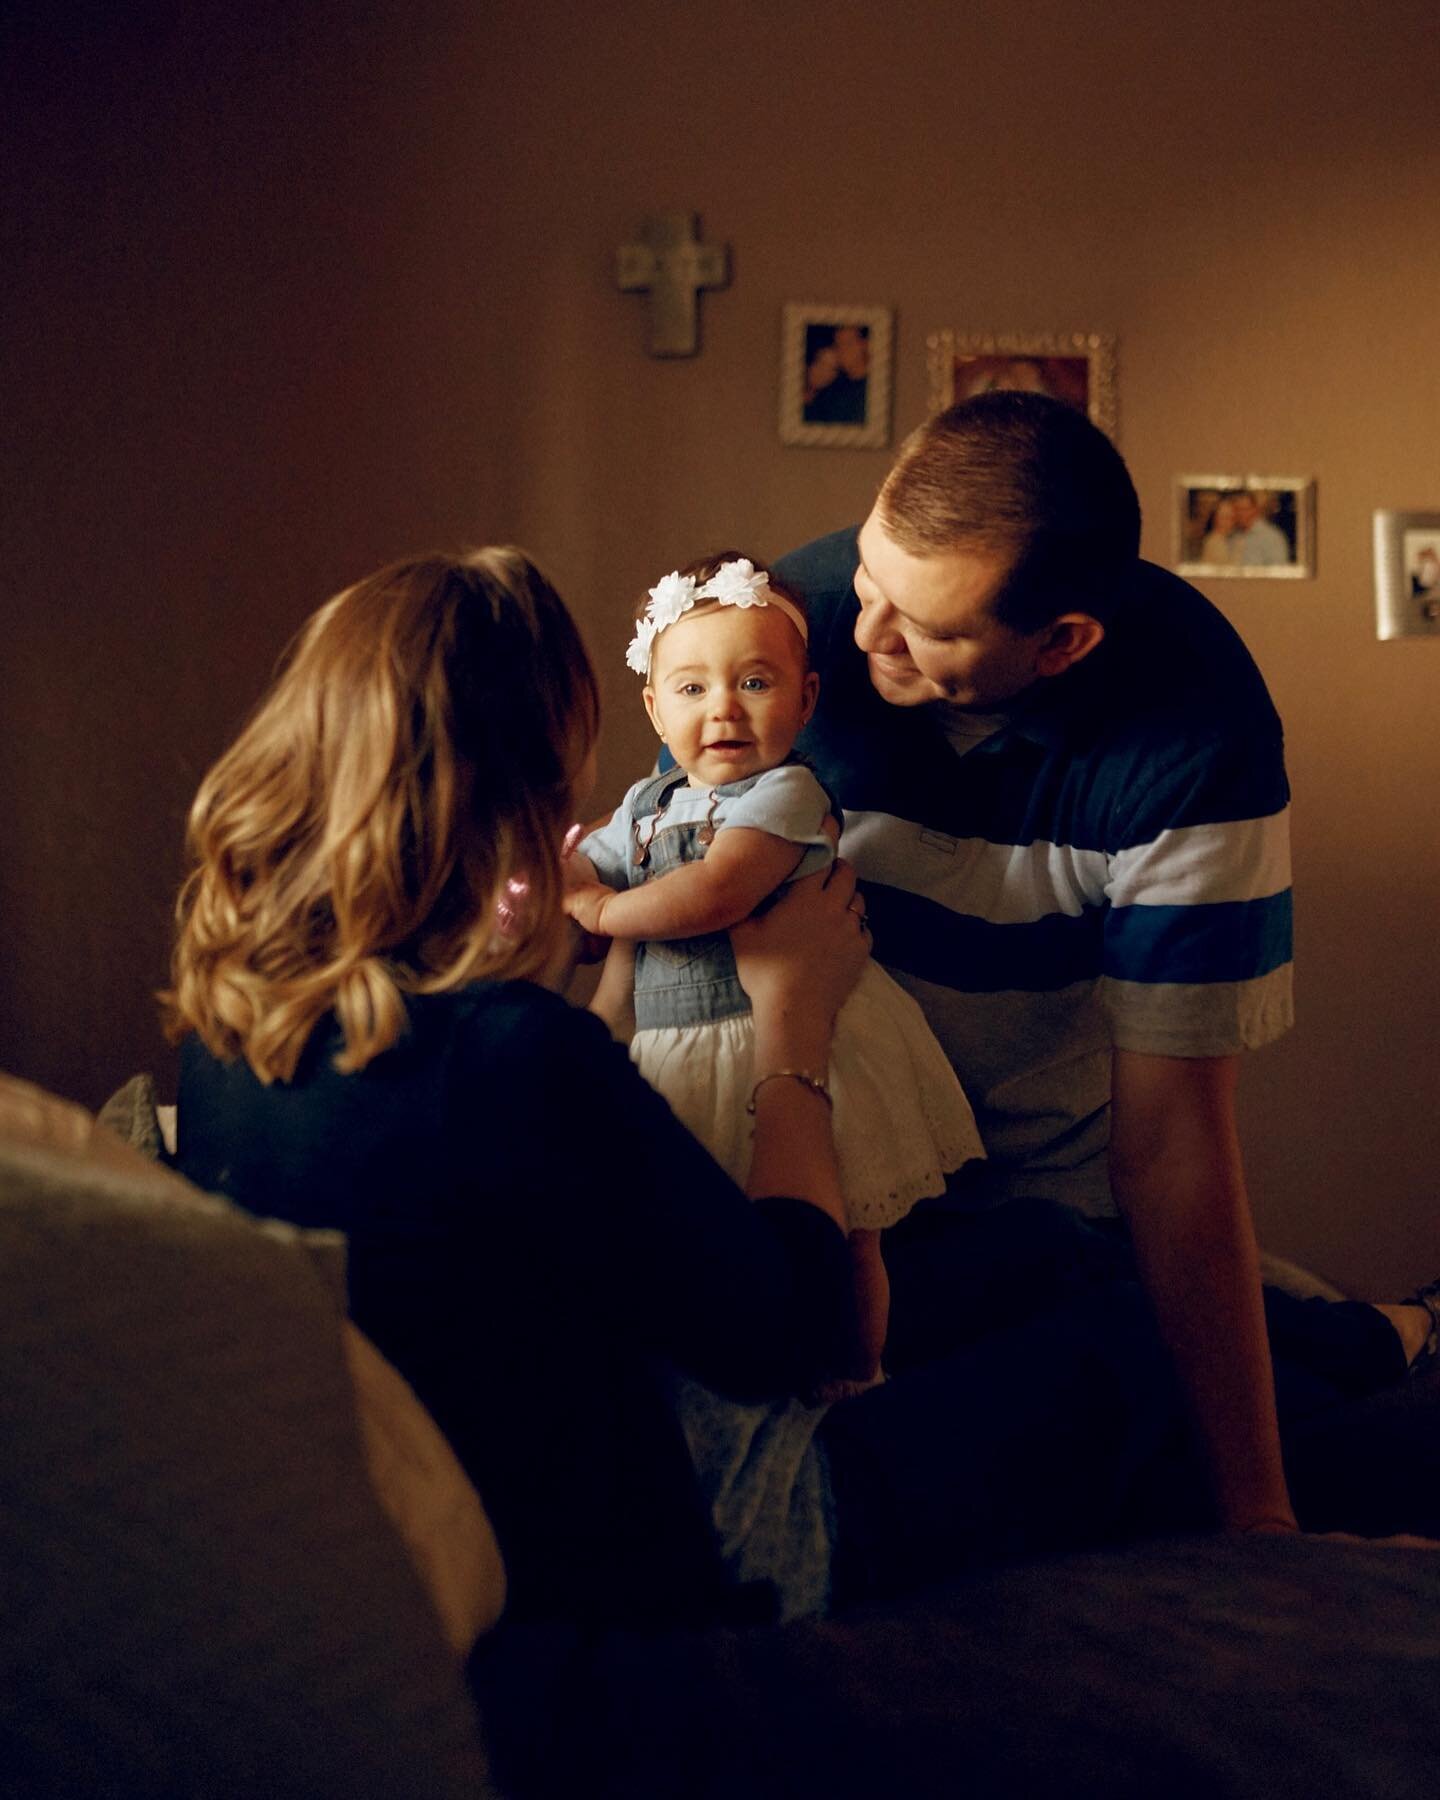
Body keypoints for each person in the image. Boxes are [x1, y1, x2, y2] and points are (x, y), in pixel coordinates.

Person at [161, 546, 1285, 1634]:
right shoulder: (510, 1057)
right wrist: (792, 1020)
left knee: (1035, 1252)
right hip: (718, 1545)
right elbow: (785, 1339)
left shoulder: (236, 1027)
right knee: (1127, 1343)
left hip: (522, 1456)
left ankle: (1340, 1329)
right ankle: (1379, 1344)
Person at [775, 390, 1440, 1540]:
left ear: (1063, 641)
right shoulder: (798, 623)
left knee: (1113, 1337)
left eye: (923, 627)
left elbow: (1174, 1135)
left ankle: (1376, 1344)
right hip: (838, 1178)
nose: (864, 632)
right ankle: (1376, 1332)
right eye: (868, 577)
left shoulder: (1198, 738)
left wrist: (1258, 1518)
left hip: (1055, 1184)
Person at [563, 551, 984, 1387]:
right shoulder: (650, 805)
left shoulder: (784, 796)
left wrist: (602, 912)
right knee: (692, 1228)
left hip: (789, 1036)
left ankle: (854, 1370)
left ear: (805, 698)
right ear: (654, 708)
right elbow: (578, 861)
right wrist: (566, 879)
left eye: (754, 683)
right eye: (691, 689)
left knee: (849, 1230)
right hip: (676, 1041)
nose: (722, 709)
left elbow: (717, 891)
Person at [1228, 489, 1292, 566]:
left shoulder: (1272, 537)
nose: (1239, 514)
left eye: (1244, 509)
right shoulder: (1234, 536)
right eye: (1236, 510)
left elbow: (1279, 569)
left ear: (1255, 510)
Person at [1199, 493, 1238, 564]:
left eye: (1231, 517)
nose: (1229, 521)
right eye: (1225, 517)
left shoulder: (1234, 538)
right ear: (1215, 519)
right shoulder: (1212, 542)